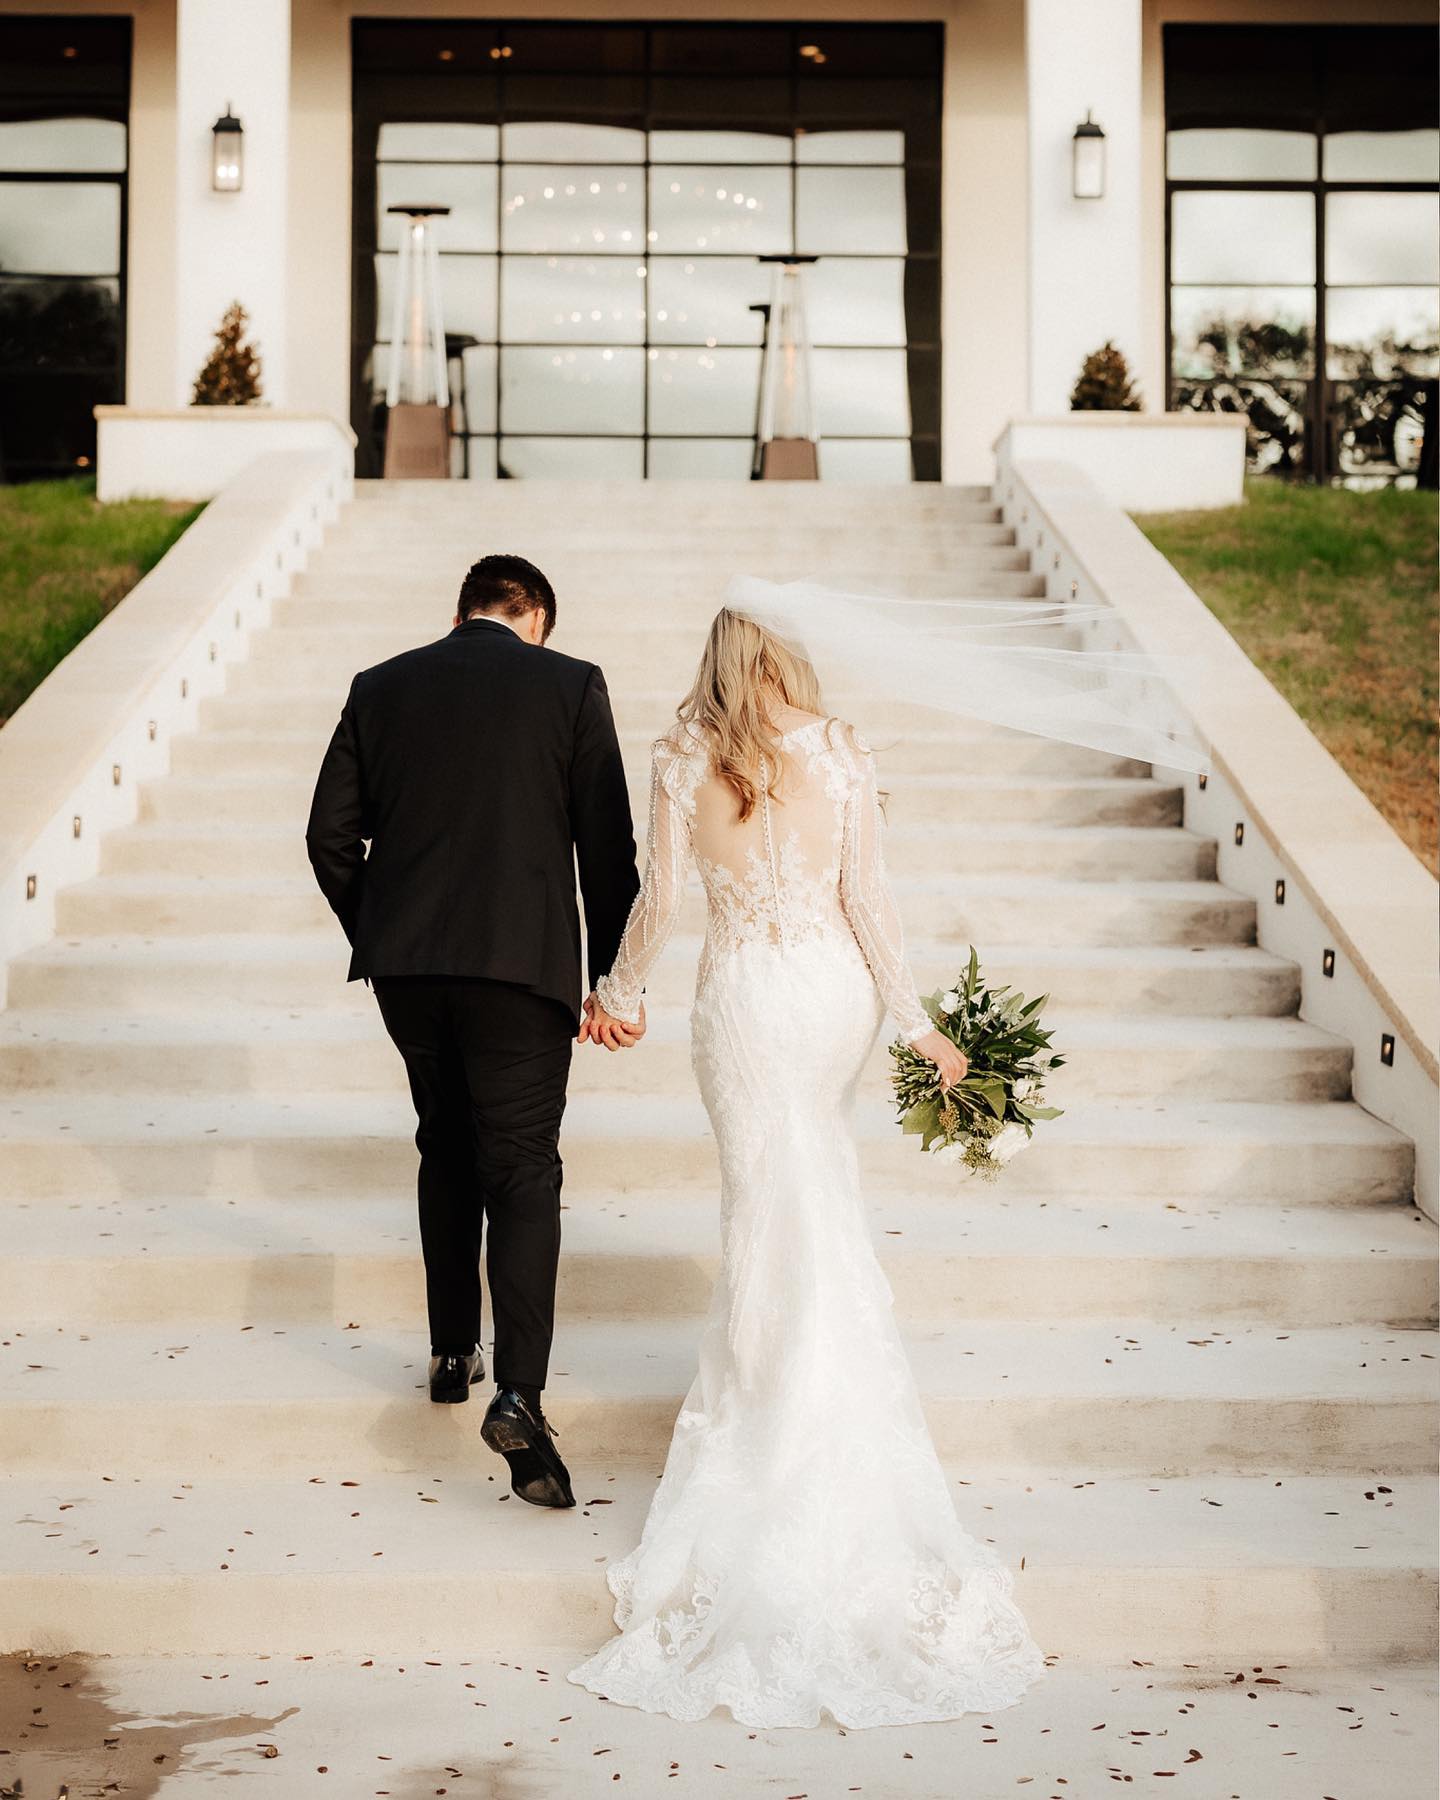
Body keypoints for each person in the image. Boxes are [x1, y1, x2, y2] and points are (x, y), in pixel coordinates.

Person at [567, 607, 1045, 1728]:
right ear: (785, 658)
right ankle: (820, 1408)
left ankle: (768, 1410)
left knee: (765, 1201)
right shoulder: (840, 748)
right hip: (830, 995)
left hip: (742, 996)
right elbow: (867, 902)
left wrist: (620, 993)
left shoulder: (684, 753)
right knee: (813, 1190)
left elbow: (665, 899)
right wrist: (921, 1026)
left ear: (717, 664)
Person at [305, 553, 640, 1510]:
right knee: (523, 1165)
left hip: (406, 970)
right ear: (533, 614)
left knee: (445, 1144)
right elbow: (606, 847)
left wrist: (384, 927)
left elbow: (330, 837)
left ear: (463, 613)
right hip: (521, 970)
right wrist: (613, 977)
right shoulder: (570, 684)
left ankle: (453, 1350)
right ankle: (520, 1397)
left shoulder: (382, 686)